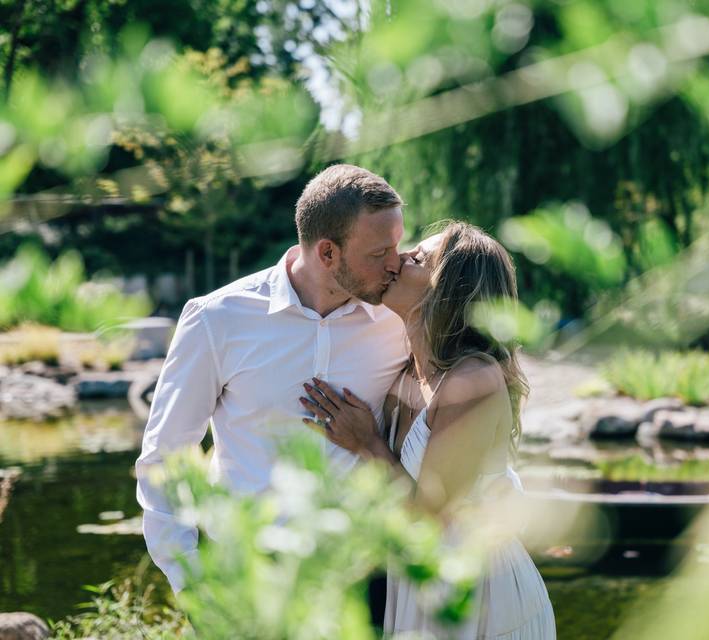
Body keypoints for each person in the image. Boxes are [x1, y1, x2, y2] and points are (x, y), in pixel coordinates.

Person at [135, 164, 410, 597]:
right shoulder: (216, 320)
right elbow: (165, 459)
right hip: (247, 576)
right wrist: (193, 585)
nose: (395, 265)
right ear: (327, 253)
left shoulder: (399, 321)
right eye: (378, 254)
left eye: (397, 245)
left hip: (362, 579)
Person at [300, 221, 557, 638]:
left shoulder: (473, 380)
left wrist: (366, 442)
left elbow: (430, 520)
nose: (399, 260)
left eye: (418, 259)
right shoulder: (404, 375)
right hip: (420, 585)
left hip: (482, 596)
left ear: (450, 289)